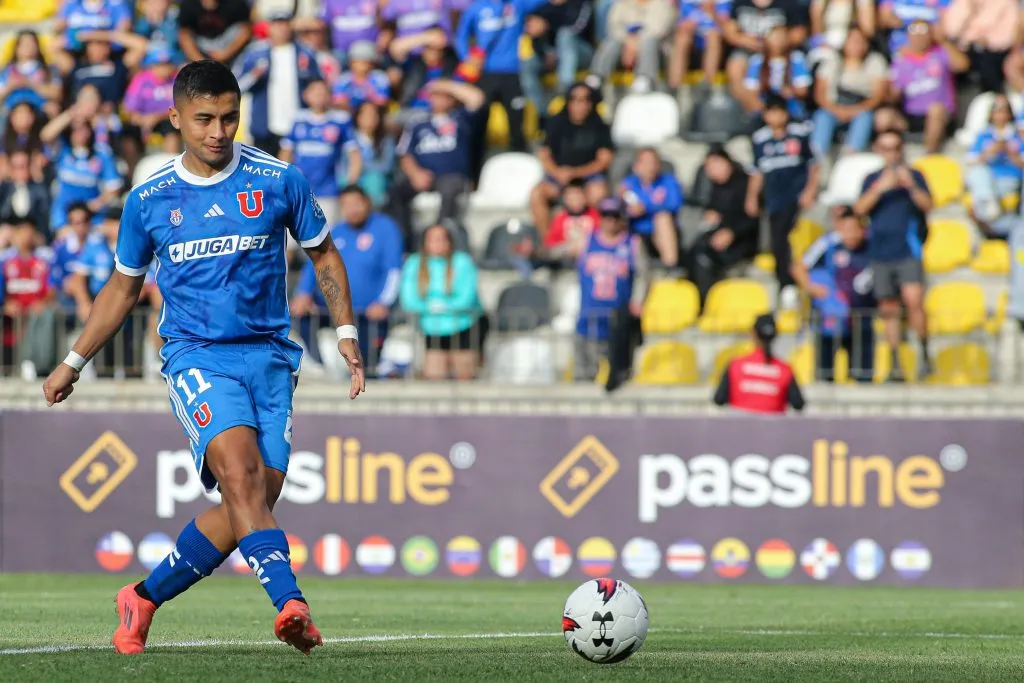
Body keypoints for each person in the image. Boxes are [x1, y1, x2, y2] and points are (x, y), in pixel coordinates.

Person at [42, 59, 365, 656]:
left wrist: (345, 329)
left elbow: (322, 254)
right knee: (240, 478)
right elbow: (122, 287)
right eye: (205, 119)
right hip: (196, 356)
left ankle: (141, 597)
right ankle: (291, 605)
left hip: (270, 357)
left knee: (254, 498)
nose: (219, 131)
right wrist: (73, 360)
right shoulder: (149, 201)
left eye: (230, 118)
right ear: (175, 118)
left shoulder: (279, 181)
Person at [291, 185, 403, 373]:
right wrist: (303, 293)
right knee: (302, 316)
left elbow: (393, 272)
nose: (352, 209)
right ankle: (320, 368)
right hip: (333, 310)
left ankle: (369, 371)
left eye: (356, 203)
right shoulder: (336, 231)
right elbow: (314, 266)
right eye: (346, 205)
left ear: (367, 203)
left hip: (368, 313)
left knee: (364, 364)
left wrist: (383, 302)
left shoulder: (385, 228)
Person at [853, 128, 932, 381]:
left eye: (896, 148)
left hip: (908, 249)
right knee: (889, 308)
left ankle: (924, 352)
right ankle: (896, 361)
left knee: (914, 300)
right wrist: (880, 188)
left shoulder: (915, 175)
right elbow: (859, 209)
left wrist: (910, 186)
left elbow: (929, 205)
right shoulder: (872, 178)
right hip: (880, 251)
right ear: (878, 150)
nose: (892, 154)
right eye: (886, 148)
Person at [390, 79, 485, 241]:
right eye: (436, 95)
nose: (439, 99)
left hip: (453, 176)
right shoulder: (418, 123)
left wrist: (446, 85)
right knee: (396, 192)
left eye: (445, 96)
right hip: (424, 176)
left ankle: (441, 238)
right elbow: (404, 153)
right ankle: (405, 240)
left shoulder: (461, 118)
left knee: (449, 189)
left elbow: (477, 99)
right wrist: (415, 174)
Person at [792, 205, 876, 382]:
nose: (850, 234)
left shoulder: (872, 247)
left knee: (862, 375)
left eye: (854, 229)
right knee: (825, 372)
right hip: (830, 319)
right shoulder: (828, 244)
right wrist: (812, 288)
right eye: (845, 229)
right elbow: (799, 268)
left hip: (860, 319)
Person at [747, 94, 820, 295]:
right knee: (778, 239)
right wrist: (752, 197)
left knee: (796, 238)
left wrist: (809, 191)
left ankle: (797, 281)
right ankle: (785, 282)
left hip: (796, 196)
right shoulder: (760, 139)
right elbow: (757, 171)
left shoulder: (799, 134)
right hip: (774, 198)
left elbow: (814, 165)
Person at [572, 197, 650, 384]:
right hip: (589, 317)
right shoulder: (586, 240)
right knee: (584, 375)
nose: (611, 221)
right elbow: (559, 252)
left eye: (615, 216)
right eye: (606, 216)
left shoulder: (632, 243)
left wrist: (638, 301)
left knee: (620, 375)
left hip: (617, 320)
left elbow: (644, 275)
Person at [399, 223, 485, 379]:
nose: (437, 243)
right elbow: (409, 299)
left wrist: (441, 306)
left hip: (463, 327)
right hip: (432, 329)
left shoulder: (463, 262)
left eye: (441, 239)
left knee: (465, 376)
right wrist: (432, 307)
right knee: (434, 376)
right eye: (432, 239)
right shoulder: (415, 263)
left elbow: (467, 298)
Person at [530, 82, 614, 239]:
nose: (579, 105)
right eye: (575, 100)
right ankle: (548, 243)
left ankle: (599, 240)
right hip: (559, 177)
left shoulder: (600, 126)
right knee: (537, 194)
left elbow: (604, 160)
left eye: (584, 100)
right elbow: (544, 154)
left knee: (599, 193)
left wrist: (576, 173)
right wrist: (557, 173)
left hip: (588, 177)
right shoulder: (555, 123)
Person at [235, 12, 323, 156]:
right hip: (265, 128)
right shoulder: (255, 53)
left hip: (298, 125)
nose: (282, 28)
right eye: (277, 24)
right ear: (269, 27)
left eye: (285, 24)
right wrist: (254, 75)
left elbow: (317, 84)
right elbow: (237, 87)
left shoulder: (305, 53)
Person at [278, 79, 362, 229]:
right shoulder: (298, 119)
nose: (319, 96)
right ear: (306, 95)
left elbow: (354, 155)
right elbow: (285, 153)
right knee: (290, 240)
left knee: (325, 237)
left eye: (323, 92)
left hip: (328, 190)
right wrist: (284, 182)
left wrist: (350, 184)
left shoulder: (340, 120)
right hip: (299, 189)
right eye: (315, 92)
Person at [879, 20, 968, 154]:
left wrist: (943, 41)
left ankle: (929, 155)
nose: (919, 38)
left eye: (924, 34)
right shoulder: (902, 60)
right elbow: (894, 93)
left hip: (940, 114)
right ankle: (887, 154)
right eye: (915, 34)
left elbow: (963, 65)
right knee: (883, 117)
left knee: (935, 110)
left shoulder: (941, 53)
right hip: (911, 115)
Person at [687, 144, 760, 306]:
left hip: (743, 240)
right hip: (719, 237)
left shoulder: (744, 184)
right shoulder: (715, 188)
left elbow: (753, 218)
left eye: (715, 164)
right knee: (694, 251)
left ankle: (706, 302)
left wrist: (732, 232)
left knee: (703, 256)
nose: (712, 171)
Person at [810, 27, 888, 156]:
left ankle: (852, 155)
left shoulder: (875, 61)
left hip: (861, 108)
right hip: (833, 108)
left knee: (864, 117)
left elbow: (878, 95)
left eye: (860, 41)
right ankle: (817, 156)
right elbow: (820, 94)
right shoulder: (832, 61)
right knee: (822, 116)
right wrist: (837, 110)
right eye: (852, 41)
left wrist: (855, 110)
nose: (856, 45)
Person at [713, 312, 805, 413]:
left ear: (753, 334)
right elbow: (798, 404)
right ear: (775, 336)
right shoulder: (785, 371)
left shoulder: (735, 366)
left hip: (739, 427)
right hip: (772, 427)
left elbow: (719, 399)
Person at [589, 0, 677, 94]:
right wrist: (628, 41)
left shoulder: (662, 5)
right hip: (625, 50)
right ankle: (597, 77)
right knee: (612, 42)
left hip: (656, 53)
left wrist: (635, 42)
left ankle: (644, 78)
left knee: (649, 41)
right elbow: (613, 27)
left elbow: (658, 30)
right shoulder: (622, 4)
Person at [964, 93, 1023, 225]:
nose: (1000, 116)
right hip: (987, 180)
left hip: (1008, 179)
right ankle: (988, 201)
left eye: (1004, 111)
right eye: (997, 111)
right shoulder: (984, 135)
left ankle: (988, 208)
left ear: (1009, 114)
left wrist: (1011, 154)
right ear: (991, 114)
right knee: (977, 172)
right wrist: (989, 152)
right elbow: (971, 161)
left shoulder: (1018, 136)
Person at [619, 148, 683, 268]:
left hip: (660, 230)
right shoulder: (628, 184)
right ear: (636, 166)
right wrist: (626, 207)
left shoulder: (669, 182)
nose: (651, 167)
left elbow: (674, 205)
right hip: (636, 230)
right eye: (646, 162)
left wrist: (645, 208)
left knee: (663, 218)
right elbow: (620, 208)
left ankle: (670, 267)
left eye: (654, 162)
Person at [669, 0, 731, 91]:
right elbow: (682, 22)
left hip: (714, 37)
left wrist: (712, 11)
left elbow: (725, 24)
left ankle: (707, 86)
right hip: (692, 36)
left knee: (713, 36)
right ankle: (674, 86)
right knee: (681, 39)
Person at [350, 101, 397, 207]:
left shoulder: (387, 140)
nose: (370, 118)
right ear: (358, 117)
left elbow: (386, 166)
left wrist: (359, 164)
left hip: (379, 186)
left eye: (374, 114)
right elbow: (343, 167)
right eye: (366, 114)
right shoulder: (349, 141)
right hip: (353, 182)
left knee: (375, 179)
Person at [544, 180, 600, 262]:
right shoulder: (560, 218)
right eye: (571, 197)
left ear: (586, 196)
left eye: (578, 196)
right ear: (565, 199)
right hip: (566, 259)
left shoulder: (596, 215)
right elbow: (551, 245)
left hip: (591, 258)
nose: (575, 201)